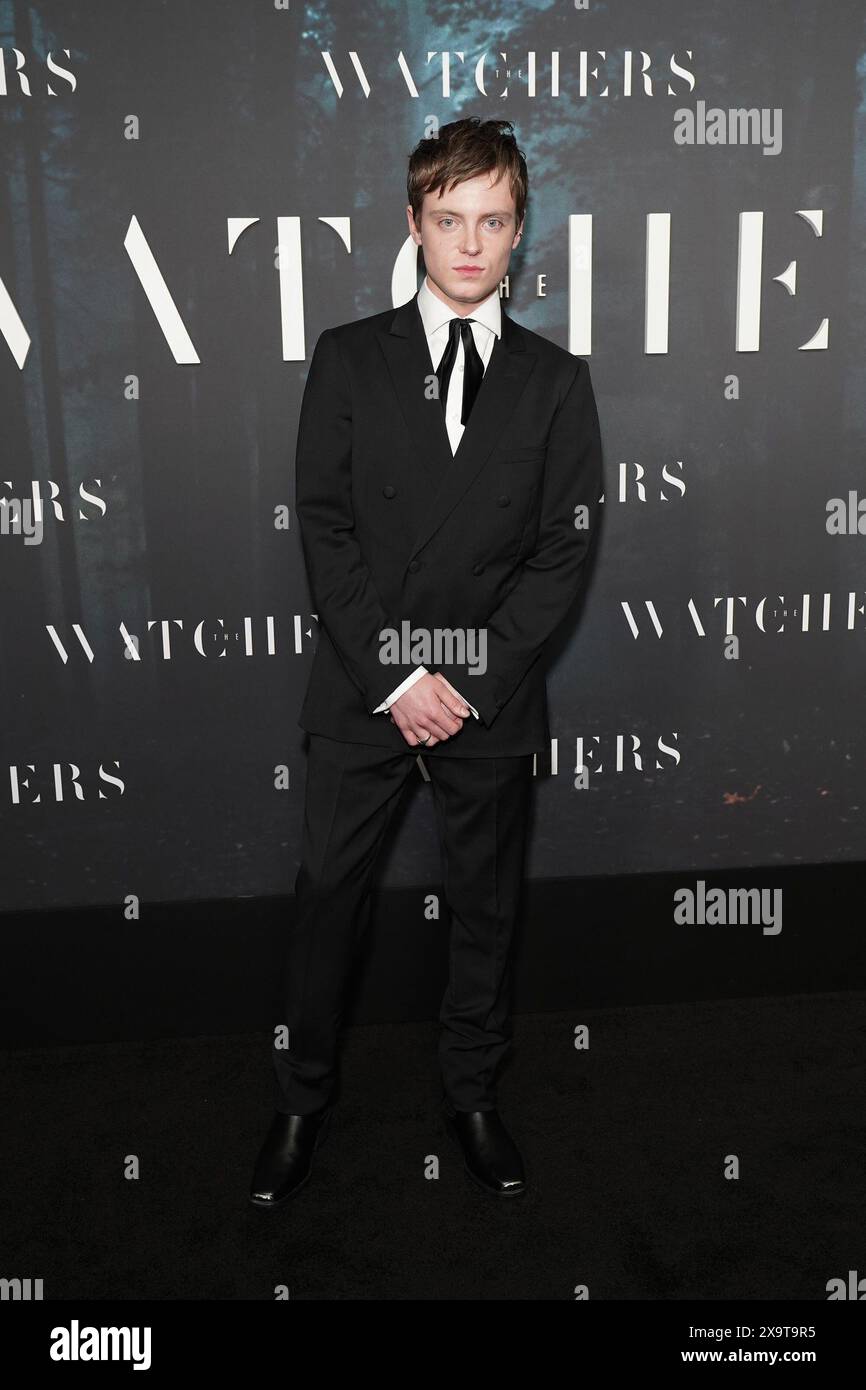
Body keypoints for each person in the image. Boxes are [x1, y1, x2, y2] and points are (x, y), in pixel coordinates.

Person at [250, 116, 603, 1205]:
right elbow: (325, 529)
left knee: (486, 905)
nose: (468, 244)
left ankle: (472, 1093)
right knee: (327, 905)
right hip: (368, 688)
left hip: (484, 699)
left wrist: (470, 683)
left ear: (516, 231)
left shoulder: (553, 379)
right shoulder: (350, 359)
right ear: (413, 224)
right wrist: (400, 680)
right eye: (447, 220)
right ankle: (303, 1097)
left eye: (491, 221)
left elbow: (561, 550)